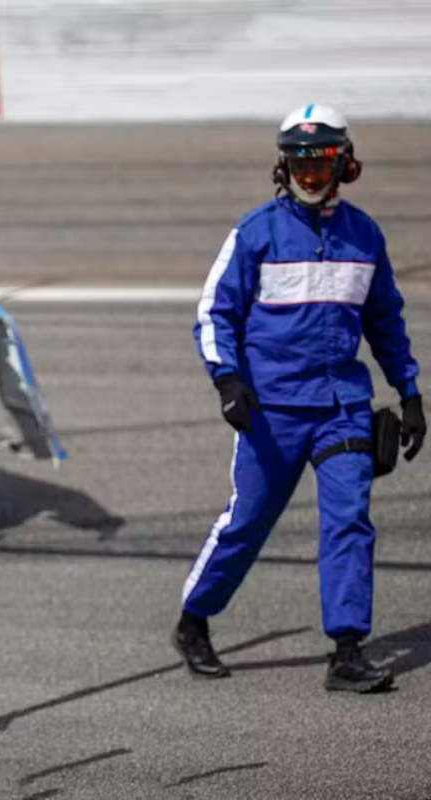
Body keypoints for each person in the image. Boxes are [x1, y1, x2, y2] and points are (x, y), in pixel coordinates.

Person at [173, 103, 426, 693]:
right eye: (299, 163)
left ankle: (346, 651)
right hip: (270, 409)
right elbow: (214, 314)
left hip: (342, 407)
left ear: (345, 164)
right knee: (249, 521)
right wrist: (227, 380)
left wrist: (409, 393)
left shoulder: (364, 235)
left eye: (321, 163)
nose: (309, 175)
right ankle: (194, 621)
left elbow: (385, 321)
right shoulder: (255, 232)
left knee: (348, 521)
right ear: (282, 167)